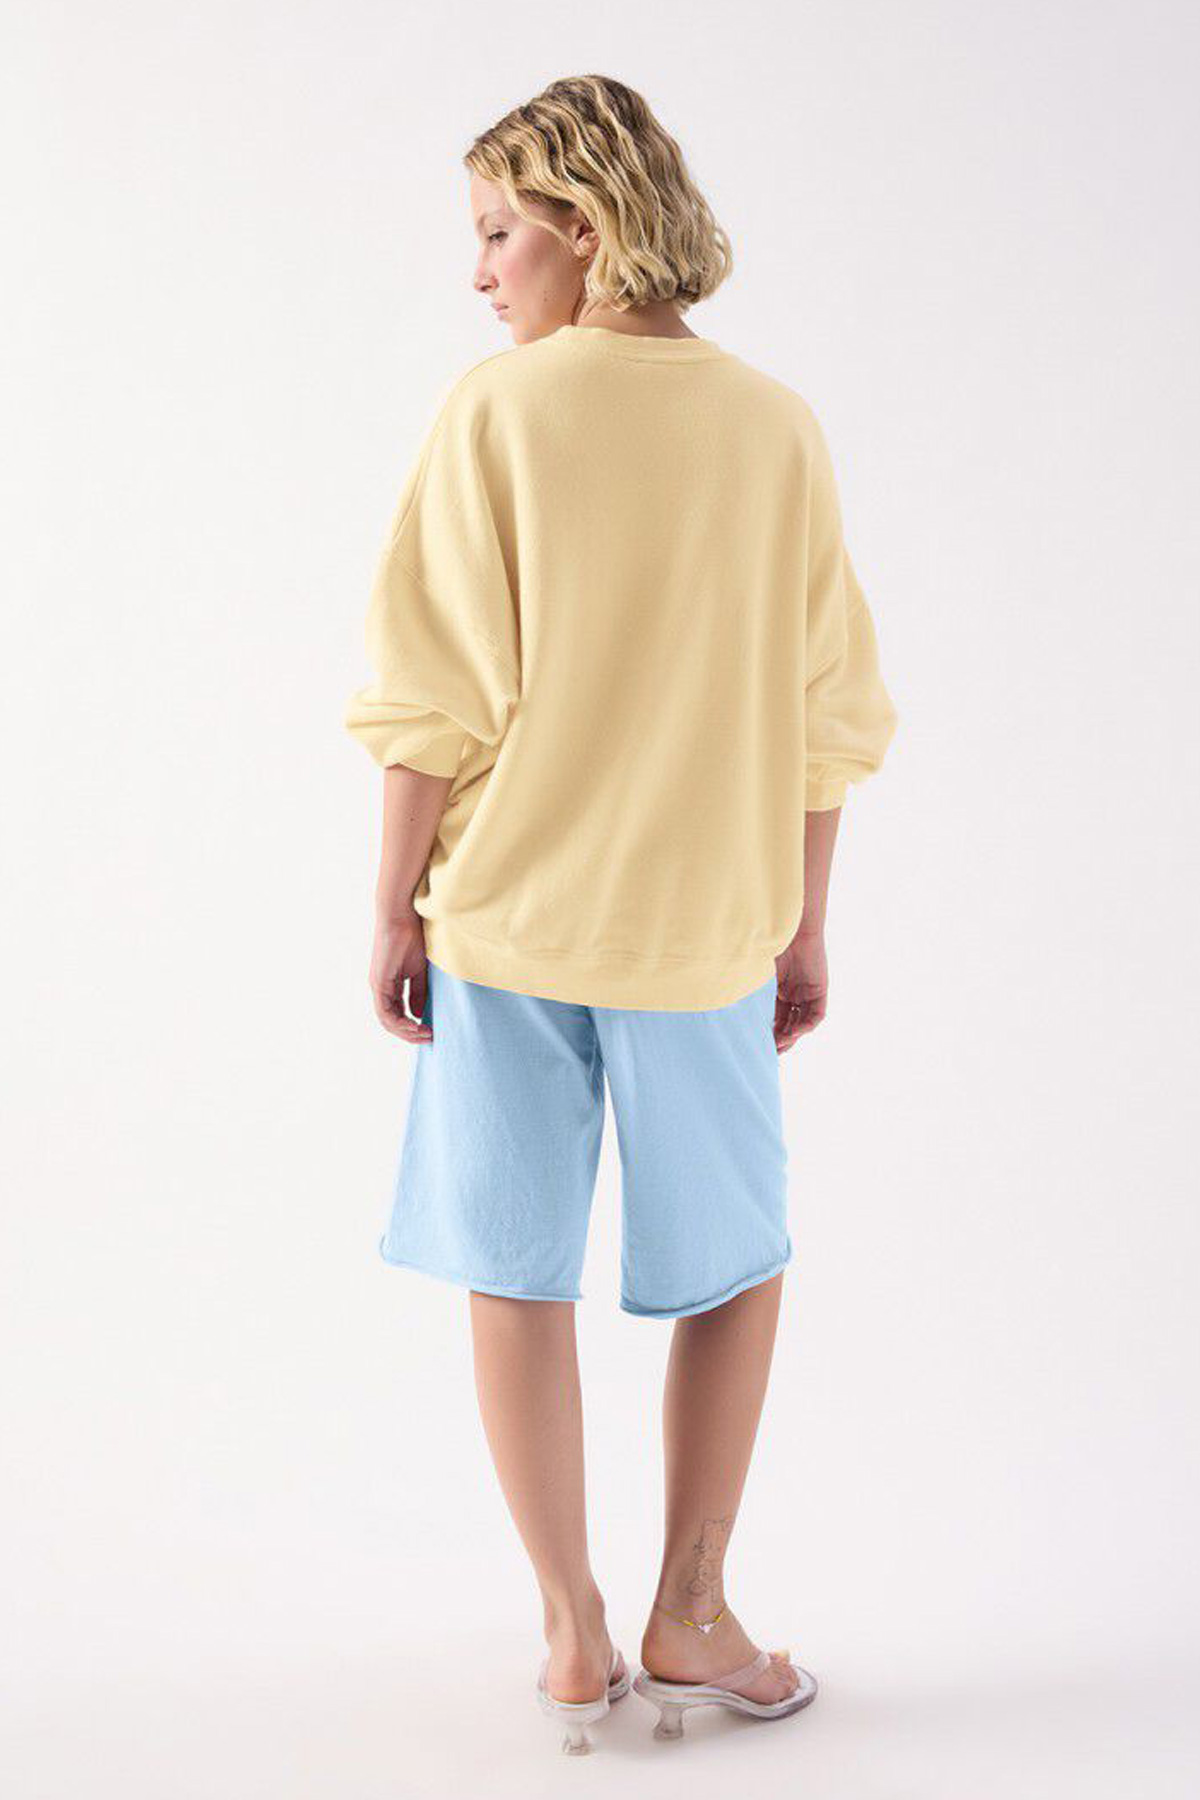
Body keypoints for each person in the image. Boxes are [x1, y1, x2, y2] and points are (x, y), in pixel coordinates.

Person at [344, 74, 898, 1754]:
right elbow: (826, 709)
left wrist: (393, 907)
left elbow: (433, 691)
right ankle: (694, 1610)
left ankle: (575, 1630)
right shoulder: (775, 426)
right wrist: (804, 921)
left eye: (498, 233)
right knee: (732, 1264)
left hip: (507, 921)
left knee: (513, 1266)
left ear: (581, 229)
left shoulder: (499, 414)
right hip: (705, 930)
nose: (480, 272)